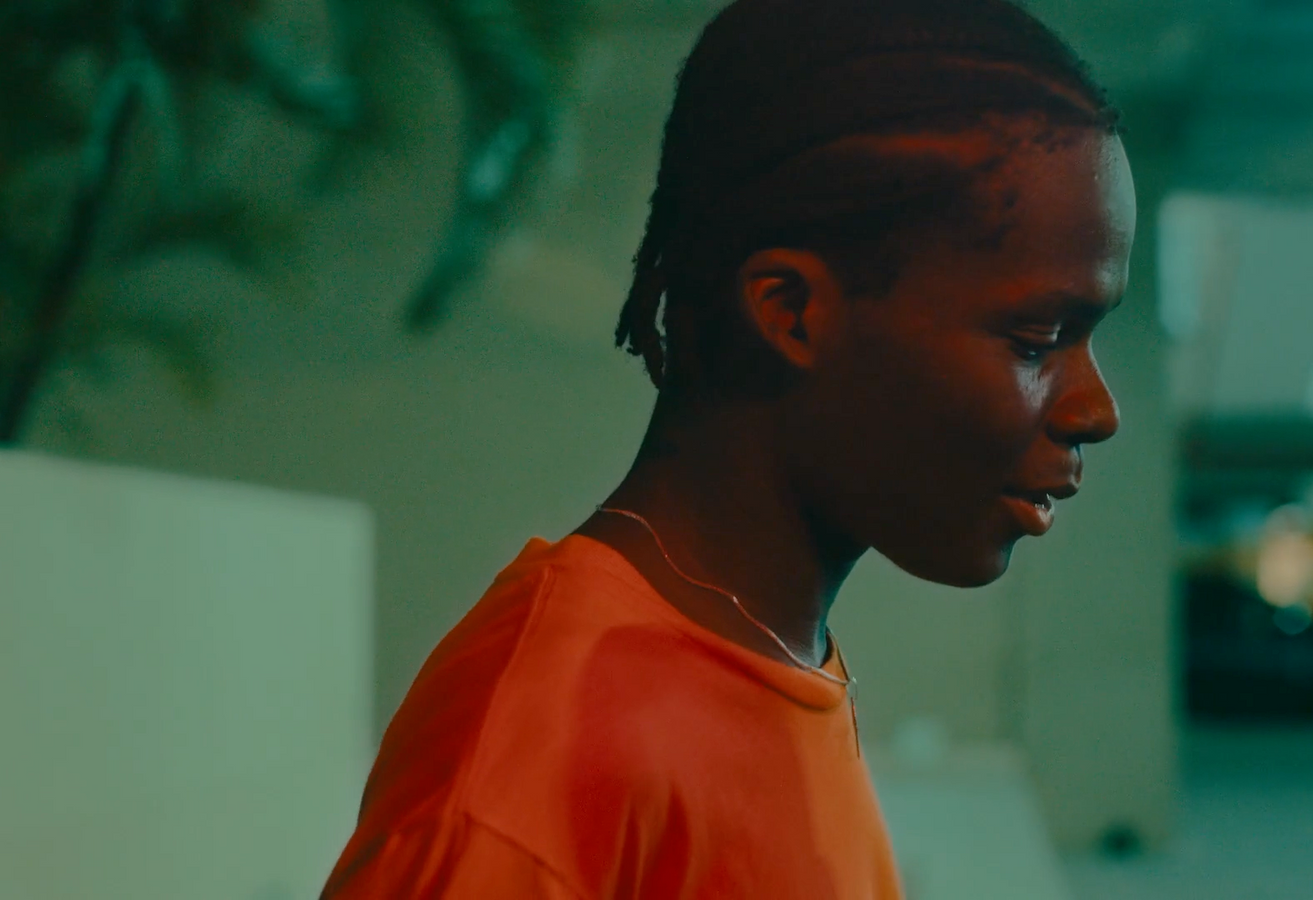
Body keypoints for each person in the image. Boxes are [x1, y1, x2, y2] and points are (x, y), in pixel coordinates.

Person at [321, 0, 1133, 895]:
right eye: (1035, 339)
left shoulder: (770, 650)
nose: (1098, 410)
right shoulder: (545, 745)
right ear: (791, 311)